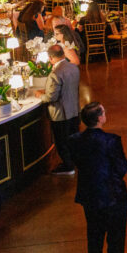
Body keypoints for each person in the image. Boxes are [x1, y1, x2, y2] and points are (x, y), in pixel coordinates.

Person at [69, 102, 127, 253]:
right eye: (104, 112)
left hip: (89, 197)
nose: (106, 114)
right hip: (112, 197)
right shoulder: (111, 141)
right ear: (99, 119)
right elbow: (122, 168)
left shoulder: (74, 141)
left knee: (94, 240)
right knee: (115, 241)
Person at [41, 44, 81, 175]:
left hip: (60, 114)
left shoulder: (56, 73)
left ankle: (68, 166)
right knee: (73, 139)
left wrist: (40, 95)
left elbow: (51, 97)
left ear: (51, 58)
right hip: (74, 110)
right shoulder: (73, 67)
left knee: (62, 142)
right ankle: (75, 162)